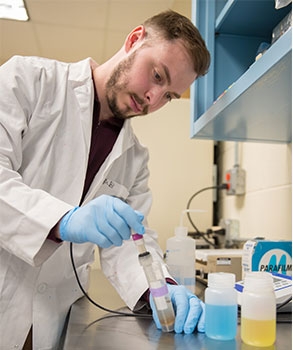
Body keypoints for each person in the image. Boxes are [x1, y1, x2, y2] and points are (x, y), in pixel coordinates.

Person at [0, 10, 210, 349]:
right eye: (157, 75)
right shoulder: (28, 81)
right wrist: (61, 221)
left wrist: (160, 287)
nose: (153, 99)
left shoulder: (135, 159)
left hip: (53, 318)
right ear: (133, 40)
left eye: (169, 96)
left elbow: (131, 241)